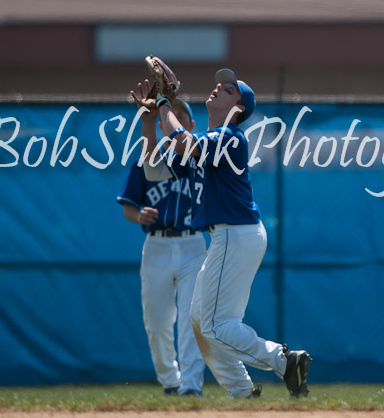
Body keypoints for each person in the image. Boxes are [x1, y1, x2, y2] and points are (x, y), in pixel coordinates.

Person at [131, 69, 312, 399]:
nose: (218, 88)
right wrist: (149, 117)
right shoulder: (208, 144)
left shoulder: (230, 137)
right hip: (228, 237)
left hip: (236, 234)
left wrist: (164, 102)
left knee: (214, 324)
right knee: (200, 322)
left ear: (238, 108)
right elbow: (153, 169)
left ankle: (285, 362)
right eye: (219, 84)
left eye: (228, 89)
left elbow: (183, 141)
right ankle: (243, 393)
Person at [117, 99, 207, 397]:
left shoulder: (199, 156)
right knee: (156, 321)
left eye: (181, 118)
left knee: (192, 319)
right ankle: (170, 381)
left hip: (193, 244)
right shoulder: (147, 161)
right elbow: (129, 207)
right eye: (170, 118)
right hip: (156, 246)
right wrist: (138, 215)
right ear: (160, 125)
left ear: (191, 127)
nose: (175, 121)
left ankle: (191, 385)